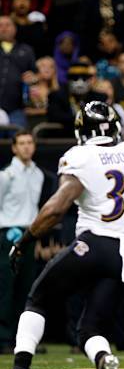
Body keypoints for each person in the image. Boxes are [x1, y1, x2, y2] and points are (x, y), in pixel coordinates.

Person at [0, 101, 124, 369]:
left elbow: (57, 208)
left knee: (38, 300)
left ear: (82, 130)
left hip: (93, 243)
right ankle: (103, 362)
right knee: (90, 327)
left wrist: (25, 240)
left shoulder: (79, 155)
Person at [0, 131, 44, 355]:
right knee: (6, 287)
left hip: (28, 235)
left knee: (27, 289)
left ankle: (23, 340)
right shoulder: (6, 175)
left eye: (30, 143)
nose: (26, 147)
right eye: (22, 144)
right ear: (14, 148)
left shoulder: (38, 174)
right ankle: (3, 338)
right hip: (8, 234)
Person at [0, 15, 36, 128]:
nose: (4, 28)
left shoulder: (26, 50)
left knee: (20, 137)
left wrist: (33, 78)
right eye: (0, 25)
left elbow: (35, 74)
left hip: (17, 108)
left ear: (15, 28)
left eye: (7, 25)